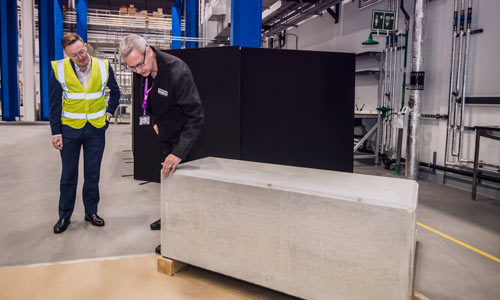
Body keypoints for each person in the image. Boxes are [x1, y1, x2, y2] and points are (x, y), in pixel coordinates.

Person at [120, 34, 204, 254]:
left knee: (184, 190)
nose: (138, 71)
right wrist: (153, 120)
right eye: (133, 68)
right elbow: (144, 97)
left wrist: (178, 153)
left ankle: (179, 241)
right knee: (169, 184)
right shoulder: (140, 70)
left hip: (184, 139)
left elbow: (196, 117)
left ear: (149, 51)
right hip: (165, 133)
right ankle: (169, 218)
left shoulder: (178, 72)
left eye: (139, 64)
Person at [49, 33, 120, 234]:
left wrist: (108, 114)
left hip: (96, 129)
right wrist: (56, 132)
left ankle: (91, 212)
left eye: (81, 52)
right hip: (69, 129)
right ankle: (64, 215)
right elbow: (54, 103)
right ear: (67, 55)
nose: (80, 57)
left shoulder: (103, 66)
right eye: (74, 55)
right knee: (68, 175)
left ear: (86, 46)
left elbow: (115, 92)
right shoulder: (59, 68)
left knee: (92, 174)